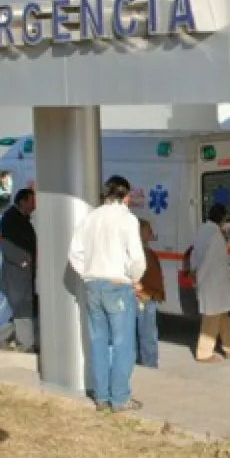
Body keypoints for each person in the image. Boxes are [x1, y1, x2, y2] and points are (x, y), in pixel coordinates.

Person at [68, 175, 147, 413]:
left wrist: (87, 273)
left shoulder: (90, 217)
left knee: (98, 342)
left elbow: (74, 253)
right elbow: (137, 258)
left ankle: (101, 396)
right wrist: (135, 279)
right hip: (117, 285)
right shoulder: (127, 219)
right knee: (123, 344)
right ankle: (120, 398)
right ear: (126, 196)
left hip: (93, 285)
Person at [191, 203, 230, 363]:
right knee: (211, 319)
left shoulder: (202, 231)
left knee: (222, 316)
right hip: (213, 284)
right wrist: (199, 279)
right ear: (222, 218)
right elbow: (210, 261)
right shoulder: (215, 236)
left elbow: (195, 254)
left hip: (210, 283)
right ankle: (204, 353)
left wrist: (195, 274)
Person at [0, 189, 38, 353]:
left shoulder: (22, 218)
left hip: (24, 272)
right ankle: (1, 339)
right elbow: (6, 244)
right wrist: (23, 261)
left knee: (22, 307)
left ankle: (25, 342)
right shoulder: (10, 218)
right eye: (32, 201)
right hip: (15, 273)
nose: (35, 205)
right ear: (23, 201)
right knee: (14, 306)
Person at [135, 219, 165, 368]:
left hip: (148, 295)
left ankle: (146, 361)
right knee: (147, 334)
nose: (151, 233)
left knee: (146, 333)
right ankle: (149, 364)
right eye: (148, 230)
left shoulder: (146, 251)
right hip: (143, 296)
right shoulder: (140, 253)